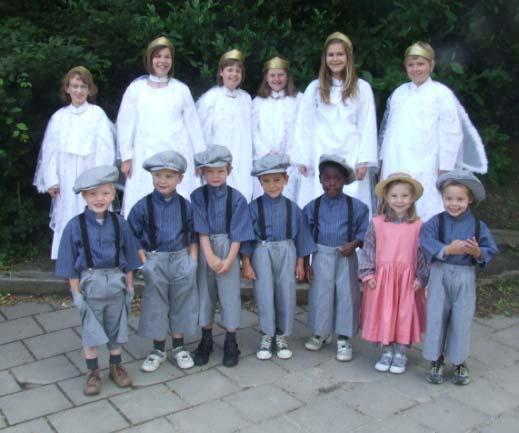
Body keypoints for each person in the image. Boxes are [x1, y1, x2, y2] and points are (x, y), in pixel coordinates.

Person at [55, 165, 140, 396]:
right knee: (90, 331)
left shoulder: (120, 224)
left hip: (116, 281)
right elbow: (68, 262)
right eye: (92, 194)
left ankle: (116, 366)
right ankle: (92, 372)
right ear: (84, 196)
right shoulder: (75, 226)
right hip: (90, 282)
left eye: (104, 193)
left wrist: (129, 286)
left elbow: (131, 255)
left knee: (116, 328)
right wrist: (76, 294)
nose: (99, 199)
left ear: (113, 194)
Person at [379, 41, 488, 222]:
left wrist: (445, 167)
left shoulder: (441, 94)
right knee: (397, 202)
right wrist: (384, 162)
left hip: (427, 163)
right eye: (411, 65)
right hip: (397, 159)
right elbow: (388, 131)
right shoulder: (399, 93)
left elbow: (451, 133)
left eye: (420, 64)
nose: (416, 69)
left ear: (431, 65)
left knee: (425, 205)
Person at [420, 170, 498, 385]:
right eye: (449, 199)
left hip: (465, 276)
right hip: (440, 273)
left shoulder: (476, 226)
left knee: (461, 319)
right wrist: (447, 249)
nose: (454, 204)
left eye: (460, 199)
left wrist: (476, 252)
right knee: (436, 316)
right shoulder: (436, 222)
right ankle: (436, 360)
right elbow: (425, 240)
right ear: (443, 198)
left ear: (470, 199)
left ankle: (459, 360)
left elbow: (489, 248)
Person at [117, 36, 205, 216]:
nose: (162, 61)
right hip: (145, 153)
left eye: (167, 57)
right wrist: (126, 156)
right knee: (144, 200)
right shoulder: (136, 89)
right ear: (150, 59)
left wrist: (199, 157)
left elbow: (193, 125)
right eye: (158, 56)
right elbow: (125, 124)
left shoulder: (181, 89)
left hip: (178, 152)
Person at [127, 150, 198, 372]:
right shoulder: (142, 206)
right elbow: (132, 236)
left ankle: (178, 346)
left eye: (169, 176)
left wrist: (192, 261)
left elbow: (194, 234)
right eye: (158, 175)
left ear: (180, 179)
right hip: (155, 258)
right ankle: (158, 348)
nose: (162, 181)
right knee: (156, 303)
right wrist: (144, 261)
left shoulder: (186, 206)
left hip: (180, 258)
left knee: (181, 300)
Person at [33, 66, 115, 259]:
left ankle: (96, 253)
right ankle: (68, 255)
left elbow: (106, 148)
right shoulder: (59, 117)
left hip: (90, 171)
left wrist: (100, 178)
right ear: (67, 89)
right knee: (68, 211)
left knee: (93, 209)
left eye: (83, 86)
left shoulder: (97, 115)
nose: (79, 91)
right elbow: (50, 151)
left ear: (90, 90)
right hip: (66, 174)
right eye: (75, 86)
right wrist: (51, 180)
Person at [291, 32, 377, 212]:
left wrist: (364, 160)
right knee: (318, 198)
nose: (335, 59)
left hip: (351, 151)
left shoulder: (362, 88)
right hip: (321, 150)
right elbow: (304, 124)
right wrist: (303, 157)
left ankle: (353, 239)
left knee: (352, 199)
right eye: (331, 54)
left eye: (340, 54)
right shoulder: (315, 88)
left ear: (348, 57)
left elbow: (367, 124)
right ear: (325, 58)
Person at [241, 153, 315, 360]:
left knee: (286, 291)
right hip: (262, 250)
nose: (272, 185)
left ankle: (282, 334)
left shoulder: (293, 208)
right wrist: (246, 262)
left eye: (277, 180)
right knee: (264, 291)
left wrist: (301, 262)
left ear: (286, 179)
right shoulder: (253, 208)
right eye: (266, 181)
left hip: (287, 250)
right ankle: (267, 333)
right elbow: (246, 237)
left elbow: (301, 236)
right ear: (260, 182)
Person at [190, 145, 254, 367]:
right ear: (202, 172)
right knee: (205, 294)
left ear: (229, 170)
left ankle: (230, 340)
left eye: (220, 171)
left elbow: (239, 232)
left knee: (229, 295)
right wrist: (208, 255)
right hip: (205, 247)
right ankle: (205, 339)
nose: (215, 176)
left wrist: (229, 260)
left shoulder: (237, 199)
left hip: (229, 247)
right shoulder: (197, 196)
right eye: (210, 171)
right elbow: (201, 229)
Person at [359, 173, 428, 374]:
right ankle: (386, 350)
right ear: (387, 198)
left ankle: (401, 352)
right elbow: (369, 248)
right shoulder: (378, 223)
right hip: (382, 280)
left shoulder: (418, 226)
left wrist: (421, 278)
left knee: (404, 315)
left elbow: (423, 254)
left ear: (412, 198)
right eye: (395, 196)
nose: (399, 200)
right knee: (385, 314)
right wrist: (368, 274)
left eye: (404, 196)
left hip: (407, 281)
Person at [303, 155, 369, 361]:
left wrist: (355, 243)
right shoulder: (312, 207)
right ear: (321, 179)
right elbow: (305, 236)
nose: (331, 183)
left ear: (344, 180)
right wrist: (306, 263)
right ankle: (321, 333)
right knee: (320, 295)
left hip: (345, 257)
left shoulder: (357, 207)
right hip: (321, 256)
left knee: (346, 296)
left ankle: (343, 337)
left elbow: (365, 232)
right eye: (327, 178)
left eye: (336, 178)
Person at [196, 49, 253, 202]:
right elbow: (202, 133)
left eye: (237, 70)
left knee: (241, 198)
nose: (234, 74)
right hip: (218, 163)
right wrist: (202, 161)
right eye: (229, 70)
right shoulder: (210, 99)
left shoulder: (247, 99)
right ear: (221, 72)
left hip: (243, 160)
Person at [251, 56, 302, 201]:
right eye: (272, 75)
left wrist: (288, 155)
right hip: (264, 160)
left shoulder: (298, 100)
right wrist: (265, 152)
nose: (276, 79)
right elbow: (253, 132)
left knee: (289, 198)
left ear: (287, 76)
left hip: (290, 162)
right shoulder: (258, 102)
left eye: (281, 75)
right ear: (266, 77)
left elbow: (302, 130)